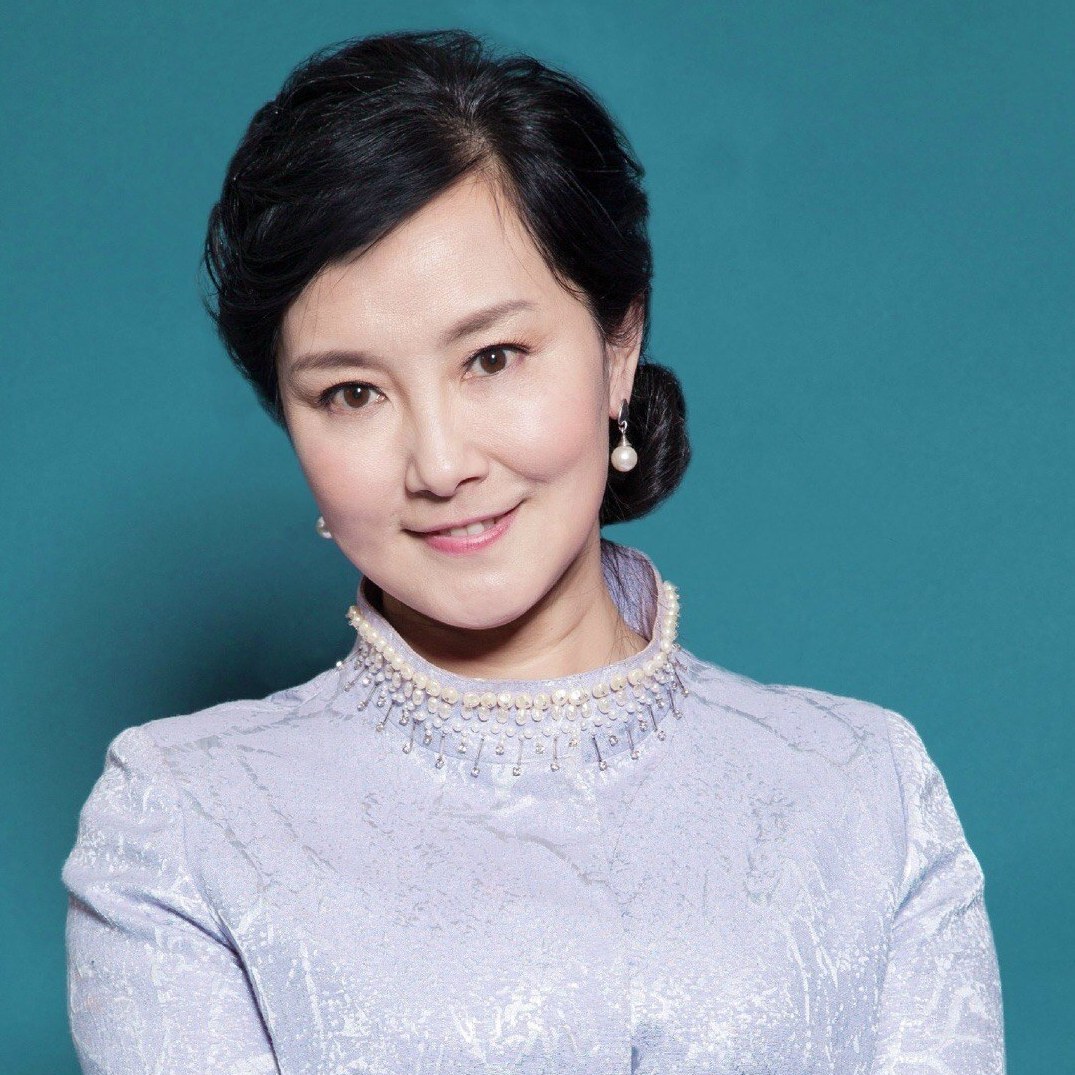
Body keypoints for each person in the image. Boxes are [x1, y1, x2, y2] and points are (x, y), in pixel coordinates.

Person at [61, 28, 1005, 1074]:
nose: (439, 462)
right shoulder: (183, 825)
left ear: (617, 347)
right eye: (352, 393)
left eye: (492, 357)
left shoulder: (863, 790)